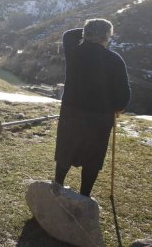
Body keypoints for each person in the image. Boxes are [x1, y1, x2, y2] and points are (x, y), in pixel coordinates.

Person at [54, 18, 130, 197]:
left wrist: (90, 31)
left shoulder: (74, 52)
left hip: (71, 113)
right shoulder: (114, 60)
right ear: (106, 36)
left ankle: (56, 187)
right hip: (100, 118)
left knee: (66, 149)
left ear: (86, 34)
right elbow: (123, 97)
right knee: (93, 157)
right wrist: (118, 107)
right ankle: (84, 196)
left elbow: (68, 34)